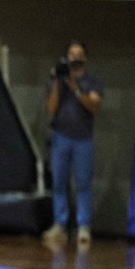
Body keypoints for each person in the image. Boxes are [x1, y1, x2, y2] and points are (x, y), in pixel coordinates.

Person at [43, 40, 103, 245]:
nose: (75, 58)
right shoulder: (57, 80)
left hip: (83, 140)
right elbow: (51, 108)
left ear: (84, 58)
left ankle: (83, 226)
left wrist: (76, 89)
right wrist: (59, 83)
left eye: (78, 55)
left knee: (83, 184)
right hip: (61, 137)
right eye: (71, 54)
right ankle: (60, 224)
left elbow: (94, 105)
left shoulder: (92, 81)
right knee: (59, 183)